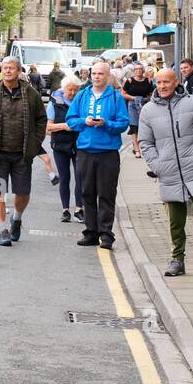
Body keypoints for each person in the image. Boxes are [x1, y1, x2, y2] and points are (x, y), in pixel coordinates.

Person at [0, 56, 47, 247]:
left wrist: (35, 142)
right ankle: (2, 230)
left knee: (22, 193)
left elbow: (41, 119)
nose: (7, 71)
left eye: (11, 68)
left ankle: (17, 218)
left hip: (22, 155)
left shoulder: (31, 94)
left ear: (19, 70)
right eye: (4, 68)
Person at [138, 68, 193, 276]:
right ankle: (177, 260)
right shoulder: (147, 110)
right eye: (159, 82)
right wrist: (157, 166)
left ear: (176, 82)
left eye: (166, 82)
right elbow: (145, 143)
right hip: (169, 173)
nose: (162, 86)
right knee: (175, 223)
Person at [66, 61, 130, 249]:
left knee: (106, 194)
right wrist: (84, 121)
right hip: (85, 151)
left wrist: (106, 124)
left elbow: (124, 124)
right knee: (87, 192)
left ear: (108, 76)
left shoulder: (116, 97)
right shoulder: (82, 95)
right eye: (94, 73)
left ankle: (106, 234)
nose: (96, 77)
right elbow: (71, 120)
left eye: (101, 74)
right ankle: (90, 232)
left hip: (108, 153)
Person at [46, 77, 84, 224]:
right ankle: (65, 210)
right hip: (60, 145)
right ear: (63, 89)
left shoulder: (81, 102)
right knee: (64, 177)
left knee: (80, 177)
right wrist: (64, 126)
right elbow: (48, 128)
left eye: (75, 89)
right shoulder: (54, 103)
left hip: (78, 144)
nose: (73, 92)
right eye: (70, 89)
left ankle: (79, 209)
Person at [122, 62, 153, 159]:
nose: (138, 71)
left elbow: (151, 94)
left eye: (140, 69)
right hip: (132, 105)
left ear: (143, 70)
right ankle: (137, 150)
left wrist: (147, 99)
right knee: (134, 127)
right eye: (136, 69)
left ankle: (145, 148)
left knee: (145, 127)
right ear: (134, 71)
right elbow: (123, 93)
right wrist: (132, 97)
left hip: (145, 105)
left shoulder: (148, 81)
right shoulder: (130, 81)